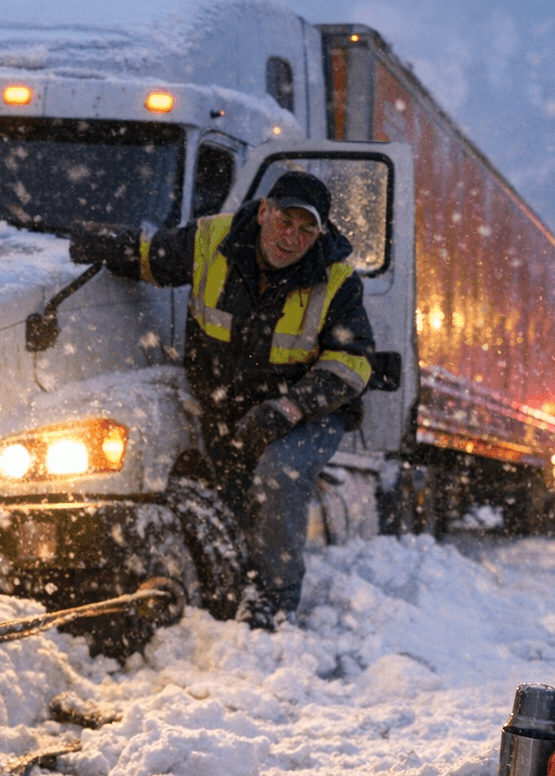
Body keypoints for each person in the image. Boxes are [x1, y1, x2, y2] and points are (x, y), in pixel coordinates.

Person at [70, 170, 375, 630]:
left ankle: (274, 602)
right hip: (229, 403)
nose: (291, 238)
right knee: (228, 493)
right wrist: (100, 244)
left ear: (320, 233)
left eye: (305, 229)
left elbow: (352, 365)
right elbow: (154, 257)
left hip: (311, 411)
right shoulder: (212, 239)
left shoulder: (337, 281)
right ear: (265, 212)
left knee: (278, 472)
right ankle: (227, 587)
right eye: (284, 222)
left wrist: (287, 409)